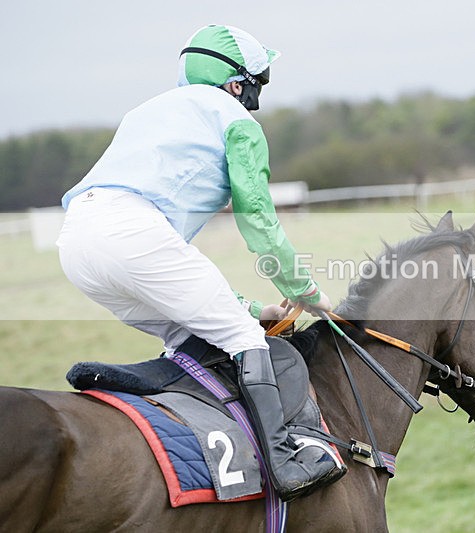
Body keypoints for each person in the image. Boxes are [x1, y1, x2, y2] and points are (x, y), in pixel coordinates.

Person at [56, 24, 345, 502]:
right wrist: (304, 291)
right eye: (259, 82)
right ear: (237, 82)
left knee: (190, 335)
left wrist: (254, 307)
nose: (257, 94)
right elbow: (257, 218)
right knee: (242, 340)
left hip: (77, 243)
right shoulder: (236, 120)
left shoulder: (148, 111)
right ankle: (285, 466)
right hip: (133, 232)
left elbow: (169, 264)